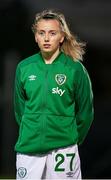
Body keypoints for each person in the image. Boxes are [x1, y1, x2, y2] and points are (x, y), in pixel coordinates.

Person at [14, 9, 94, 179]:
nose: (47, 38)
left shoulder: (75, 69)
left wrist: (69, 135)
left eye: (52, 33)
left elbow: (85, 112)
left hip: (64, 149)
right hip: (29, 148)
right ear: (35, 36)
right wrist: (32, 129)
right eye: (41, 33)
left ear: (62, 37)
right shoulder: (24, 67)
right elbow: (20, 109)